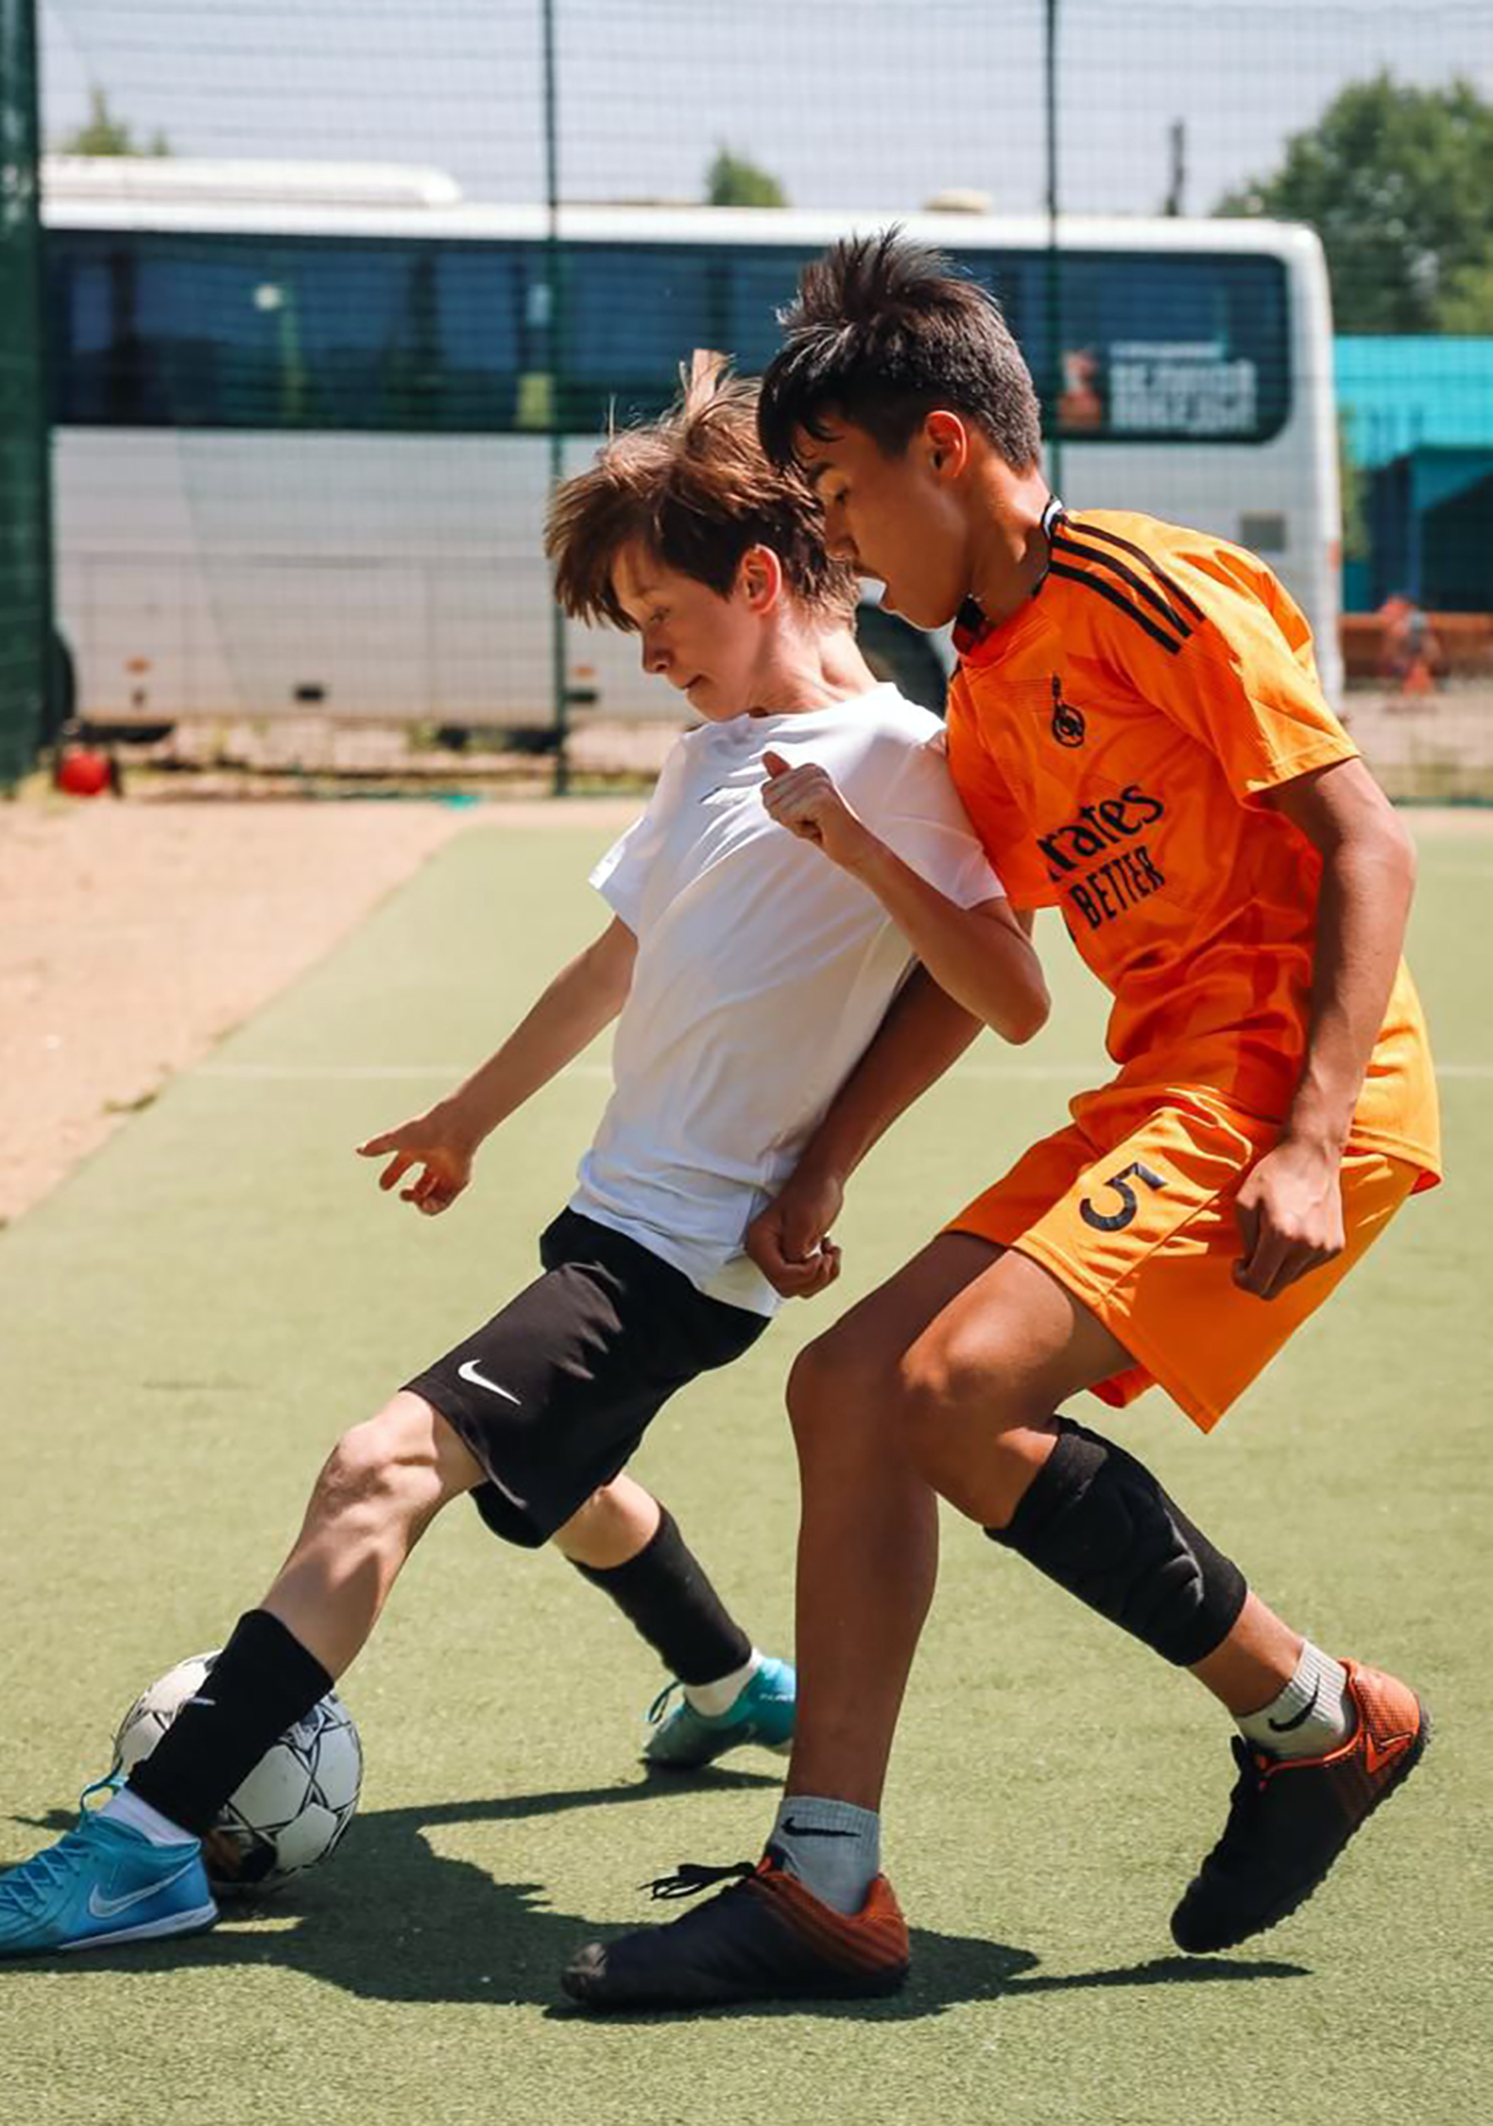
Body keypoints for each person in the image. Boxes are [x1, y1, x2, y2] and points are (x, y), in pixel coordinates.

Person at [0, 353, 1047, 1960]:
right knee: (567, 1475)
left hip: (686, 1253)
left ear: (760, 580)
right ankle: (731, 1681)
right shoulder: (709, 755)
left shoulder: (900, 762)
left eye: (660, 615)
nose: (645, 654)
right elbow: (613, 961)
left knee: (382, 1462)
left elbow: (1003, 990)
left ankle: (144, 1847)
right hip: (614, 1217)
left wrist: (830, 1098)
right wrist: (469, 1114)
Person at [563, 235, 1443, 2011]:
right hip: (1162, 1088)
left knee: (950, 1387)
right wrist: (825, 1160)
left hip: (1286, 1088)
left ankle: (1312, 1715)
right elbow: (987, 975)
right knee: (844, 1388)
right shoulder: (980, 686)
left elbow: (1368, 841)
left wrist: (1305, 1131)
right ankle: (827, 1882)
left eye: (839, 494)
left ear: (947, 448)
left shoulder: (1147, 585)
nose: (836, 541)